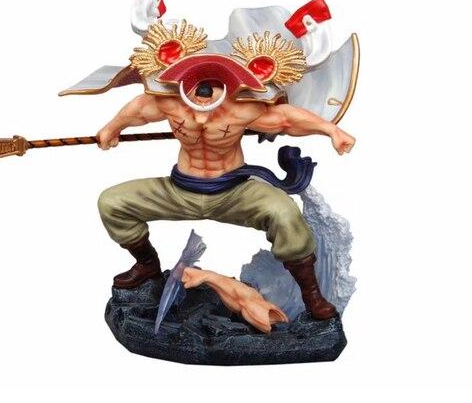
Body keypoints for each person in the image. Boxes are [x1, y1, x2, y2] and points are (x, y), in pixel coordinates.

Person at [96, 81, 355, 320]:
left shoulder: (242, 108)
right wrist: (111, 128)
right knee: (112, 202)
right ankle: (147, 265)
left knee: (284, 213)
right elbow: (139, 110)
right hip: (180, 191)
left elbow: (286, 119)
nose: (203, 99)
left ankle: (312, 295)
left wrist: (330, 130)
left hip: (233, 194)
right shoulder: (171, 102)